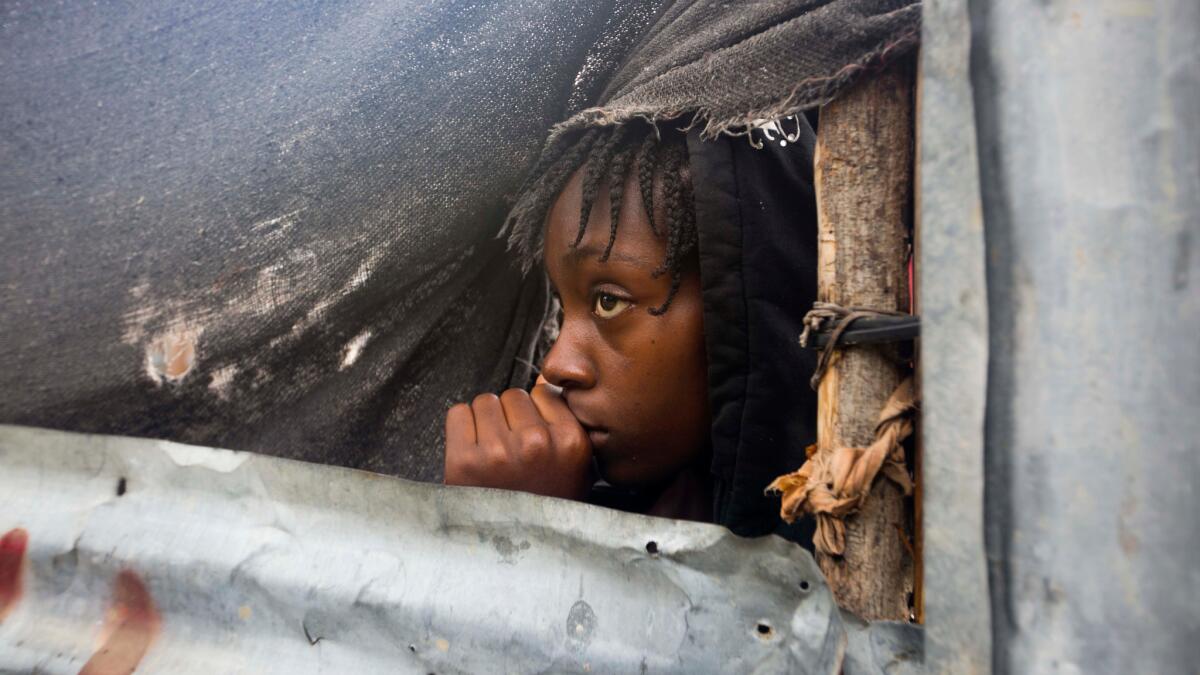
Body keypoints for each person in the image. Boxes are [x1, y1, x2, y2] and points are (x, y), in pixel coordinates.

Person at [445, 118, 820, 540]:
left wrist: (527, 534)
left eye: (608, 301)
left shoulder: (841, 551)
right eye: (562, 307)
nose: (554, 365)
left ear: (739, 304)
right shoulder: (597, 493)